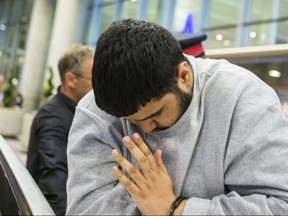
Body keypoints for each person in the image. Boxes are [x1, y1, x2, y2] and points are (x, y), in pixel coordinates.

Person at [66, 19, 288, 215]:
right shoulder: (95, 110)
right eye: (131, 120)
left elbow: (280, 206)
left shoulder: (245, 99)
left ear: (184, 76)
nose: (147, 129)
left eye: (156, 113)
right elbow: (85, 210)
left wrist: (174, 208)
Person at [26, 44, 94, 215]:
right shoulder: (53, 118)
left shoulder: (78, 112)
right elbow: (53, 181)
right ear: (71, 79)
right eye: (94, 80)